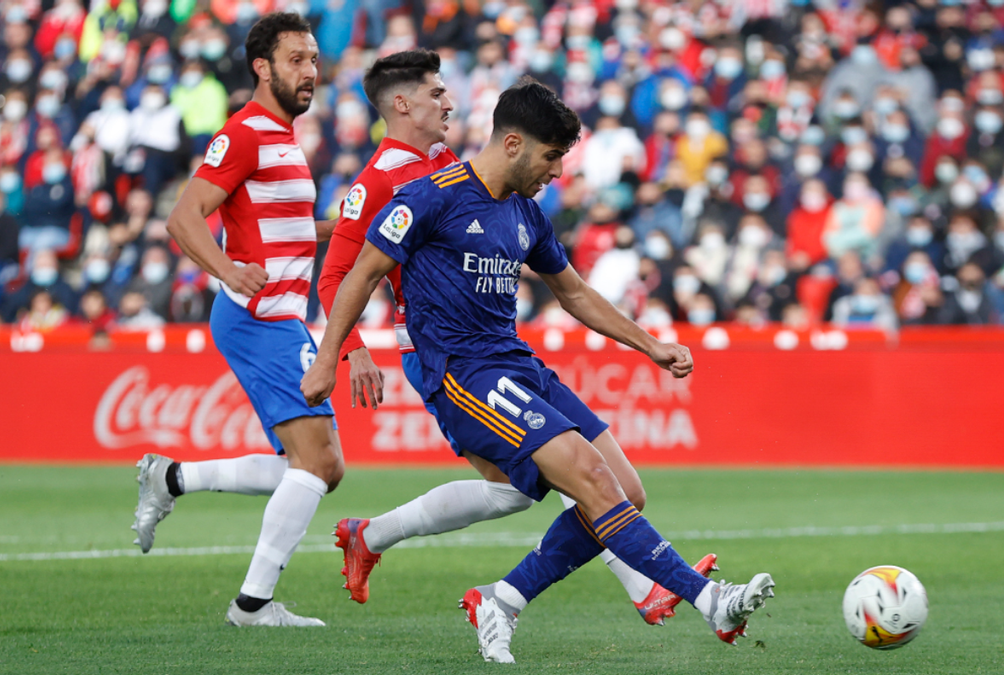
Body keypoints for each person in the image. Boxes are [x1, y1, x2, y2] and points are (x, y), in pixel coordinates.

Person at [302, 79, 773, 663]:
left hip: (516, 363)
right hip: (462, 373)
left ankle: (502, 598)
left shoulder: (526, 213)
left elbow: (573, 293)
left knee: (626, 490)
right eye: (551, 157)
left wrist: (648, 344)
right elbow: (358, 274)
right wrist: (332, 355)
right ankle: (710, 601)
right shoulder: (429, 197)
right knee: (589, 479)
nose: (556, 172)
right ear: (515, 143)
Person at [131, 13, 339, 628]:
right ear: (262, 67)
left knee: (319, 464)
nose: (310, 72)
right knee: (318, 464)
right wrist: (226, 269)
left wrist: (355, 227)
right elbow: (183, 217)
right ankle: (252, 606)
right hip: (259, 316)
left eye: (314, 60)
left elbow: (292, 232)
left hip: (282, 317)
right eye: (297, 59)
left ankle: (171, 477)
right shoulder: (246, 132)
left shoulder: (282, 135)